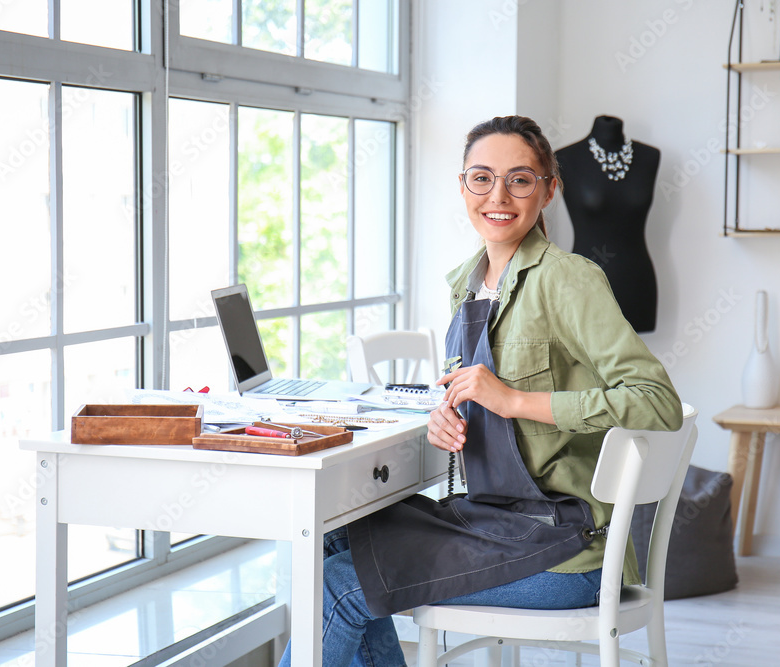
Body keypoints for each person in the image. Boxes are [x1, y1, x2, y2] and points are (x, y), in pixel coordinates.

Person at [278, 115, 682, 666]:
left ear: (549, 190)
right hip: (497, 520)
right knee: (335, 539)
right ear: (463, 186)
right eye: (481, 178)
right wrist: (448, 415)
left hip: (563, 550)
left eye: (520, 179)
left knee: (342, 586)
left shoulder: (567, 279)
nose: (499, 195)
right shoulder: (465, 286)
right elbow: (481, 397)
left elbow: (658, 402)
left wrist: (513, 401)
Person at [555, 115, 661, 332]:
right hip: (585, 280)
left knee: (633, 361)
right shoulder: (566, 157)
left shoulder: (648, 156)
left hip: (636, 280)